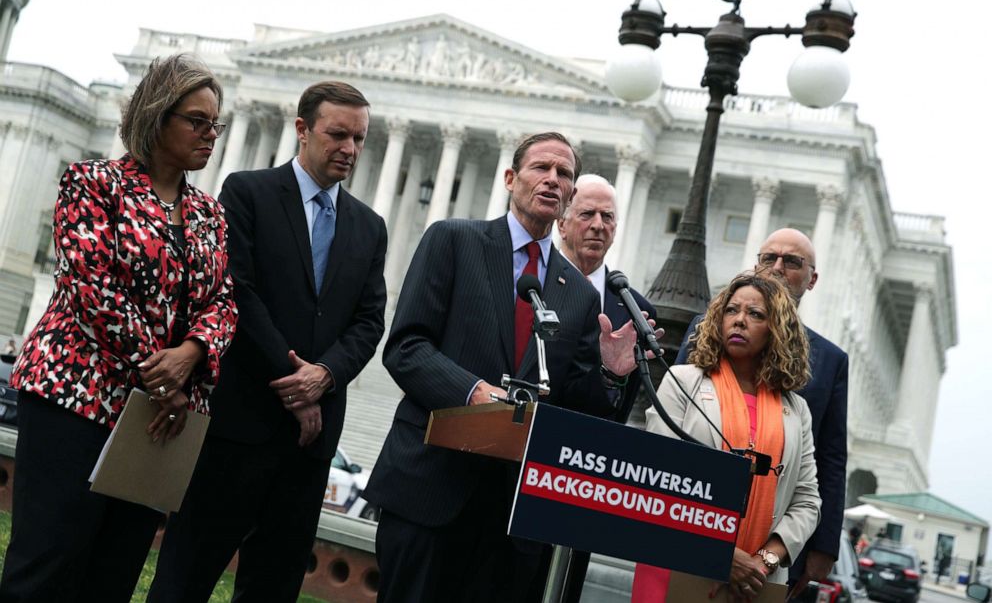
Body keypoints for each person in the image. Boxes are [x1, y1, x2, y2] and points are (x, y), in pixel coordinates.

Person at [364, 132, 659, 603]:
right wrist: (474, 394)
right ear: (510, 178)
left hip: (512, 515)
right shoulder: (454, 240)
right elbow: (406, 348)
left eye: (564, 174)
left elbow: (579, 406)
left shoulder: (578, 293)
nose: (552, 179)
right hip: (431, 487)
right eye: (541, 167)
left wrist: (610, 372)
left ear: (569, 195)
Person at [0, 54, 237, 602]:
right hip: (75, 399)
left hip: (156, 421)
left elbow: (224, 301)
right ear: (157, 116)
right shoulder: (93, 183)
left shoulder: (210, 214)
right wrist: (163, 371)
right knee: (45, 565)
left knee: (114, 574)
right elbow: (92, 287)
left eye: (215, 124)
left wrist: (194, 352)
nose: (210, 136)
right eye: (197, 121)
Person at [147, 81, 387, 602]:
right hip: (239, 426)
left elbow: (369, 322)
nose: (349, 148)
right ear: (302, 130)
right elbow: (238, 293)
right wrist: (294, 384)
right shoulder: (247, 191)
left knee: (273, 587)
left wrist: (323, 377)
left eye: (360, 138)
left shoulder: (370, 227)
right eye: (337, 134)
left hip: (309, 446)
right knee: (185, 577)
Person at [676, 228, 849, 598]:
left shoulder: (830, 362)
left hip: (775, 542)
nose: (777, 268)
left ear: (812, 278)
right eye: (769, 258)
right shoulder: (706, 332)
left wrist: (820, 548)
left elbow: (829, 462)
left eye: (792, 262)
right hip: (691, 534)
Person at [634, 272, 821, 601]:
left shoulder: (797, 410)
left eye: (756, 314)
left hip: (755, 585)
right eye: (731, 311)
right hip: (679, 564)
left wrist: (761, 563)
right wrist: (721, 554)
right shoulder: (682, 382)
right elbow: (658, 478)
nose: (739, 321)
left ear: (777, 330)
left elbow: (807, 502)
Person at [554, 173, 657, 603]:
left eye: (608, 217)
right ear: (562, 222)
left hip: (580, 482)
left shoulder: (634, 310)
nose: (598, 224)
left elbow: (618, 411)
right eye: (587, 214)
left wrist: (612, 373)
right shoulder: (528, 281)